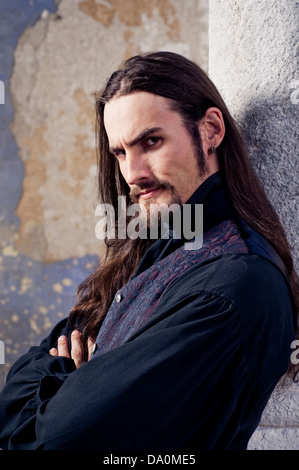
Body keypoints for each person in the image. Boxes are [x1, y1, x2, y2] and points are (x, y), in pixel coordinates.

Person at [0, 51, 298, 450]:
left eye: (151, 141)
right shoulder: (153, 247)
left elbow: (58, 441)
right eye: (120, 153)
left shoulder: (235, 285)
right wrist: (65, 379)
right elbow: (10, 398)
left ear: (210, 130)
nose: (132, 174)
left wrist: (62, 375)